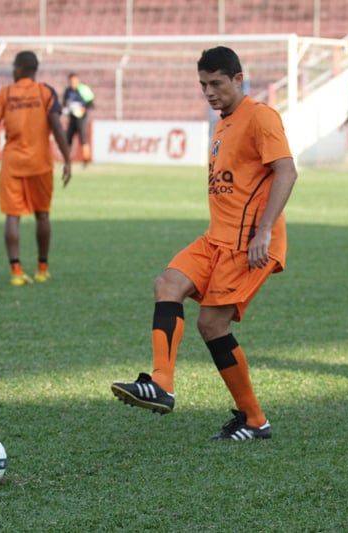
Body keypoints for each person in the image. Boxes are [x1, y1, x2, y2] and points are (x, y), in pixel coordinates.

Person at [111, 46, 298, 440]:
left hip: (248, 244)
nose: (209, 92)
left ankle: (254, 420)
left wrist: (263, 231)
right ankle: (161, 383)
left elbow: (287, 171)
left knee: (212, 325)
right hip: (215, 238)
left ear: (237, 79)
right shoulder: (223, 123)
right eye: (203, 85)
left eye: (216, 83)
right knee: (167, 284)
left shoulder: (260, 116)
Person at [0, 51, 72, 286]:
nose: (13, 71)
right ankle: (42, 269)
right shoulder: (46, 92)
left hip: (12, 163)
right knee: (42, 215)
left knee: (12, 216)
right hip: (40, 163)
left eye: (14, 67)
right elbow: (56, 126)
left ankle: (16, 271)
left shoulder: (6, 93)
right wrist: (67, 159)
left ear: (21, 69)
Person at [63, 73, 95, 167]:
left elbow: (91, 103)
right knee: (68, 139)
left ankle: (86, 161)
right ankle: (67, 161)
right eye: (71, 81)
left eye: (74, 81)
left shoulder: (83, 89)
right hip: (72, 118)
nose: (73, 83)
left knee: (83, 139)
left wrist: (82, 109)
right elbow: (64, 103)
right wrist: (66, 109)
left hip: (81, 118)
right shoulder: (68, 91)